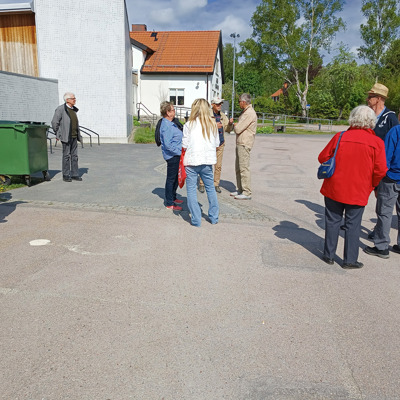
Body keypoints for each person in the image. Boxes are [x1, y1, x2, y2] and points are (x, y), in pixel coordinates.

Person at [318, 105, 387, 269]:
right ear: (371, 121)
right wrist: (372, 184)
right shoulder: (376, 142)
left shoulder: (340, 136)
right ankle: (349, 260)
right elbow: (381, 169)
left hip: (334, 186)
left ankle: (328, 254)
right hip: (358, 189)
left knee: (332, 220)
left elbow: (322, 157)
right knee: (353, 225)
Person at [366, 83, 399, 239]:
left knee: (384, 203)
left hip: (385, 168)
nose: (368, 99)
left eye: (371, 96)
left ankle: (380, 234)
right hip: (370, 164)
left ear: (379, 98)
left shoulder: (390, 118)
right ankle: (379, 230)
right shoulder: (369, 115)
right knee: (379, 201)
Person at [364, 124, 400, 258]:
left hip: (392, 177)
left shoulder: (396, 131)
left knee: (384, 212)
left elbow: (386, 155)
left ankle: (381, 246)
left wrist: (380, 177)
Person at [182, 98, 220, 227]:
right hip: (207, 161)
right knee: (210, 189)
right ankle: (214, 217)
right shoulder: (212, 124)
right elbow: (217, 143)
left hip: (192, 161)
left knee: (192, 190)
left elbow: (184, 144)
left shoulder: (189, 125)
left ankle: (196, 220)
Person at [198, 96, 233, 193]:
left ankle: (216, 184)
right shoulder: (207, 115)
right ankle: (202, 183)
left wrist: (230, 124)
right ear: (212, 104)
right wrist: (214, 125)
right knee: (205, 164)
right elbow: (202, 127)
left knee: (218, 166)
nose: (219, 105)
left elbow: (227, 129)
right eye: (217, 104)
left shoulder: (222, 115)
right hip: (209, 144)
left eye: (221, 103)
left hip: (220, 143)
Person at [229, 93, 257, 200]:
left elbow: (238, 129)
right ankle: (240, 189)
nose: (239, 103)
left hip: (245, 143)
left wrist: (235, 125)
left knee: (244, 167)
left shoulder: (249, 113)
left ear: (244, 102)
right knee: (238, 167)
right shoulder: (245, 112)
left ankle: (246, 192)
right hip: (240, 142)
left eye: (239, 101)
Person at [51, 92, 83, 182]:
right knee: (66, 156)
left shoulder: (73, 110)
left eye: (74, 98)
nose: (75, 99)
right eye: (73, 98)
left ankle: (75, 174)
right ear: (67, 100)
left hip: (74, 136)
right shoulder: (61, 109)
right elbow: (54, 122)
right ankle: (66, 174)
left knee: (75, 156)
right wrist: (58, 133)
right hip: (66, 136)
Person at [159, 101, 183, 211]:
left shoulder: (171, 122)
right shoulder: (166, 125)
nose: (175, 111)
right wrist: (179, 152)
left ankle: (173, 197)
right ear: (168, 112)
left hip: (177, 154)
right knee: (171, 179)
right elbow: (168, 145)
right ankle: (169, 202)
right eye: (173, 110)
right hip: (173, 156)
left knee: (176, 179)